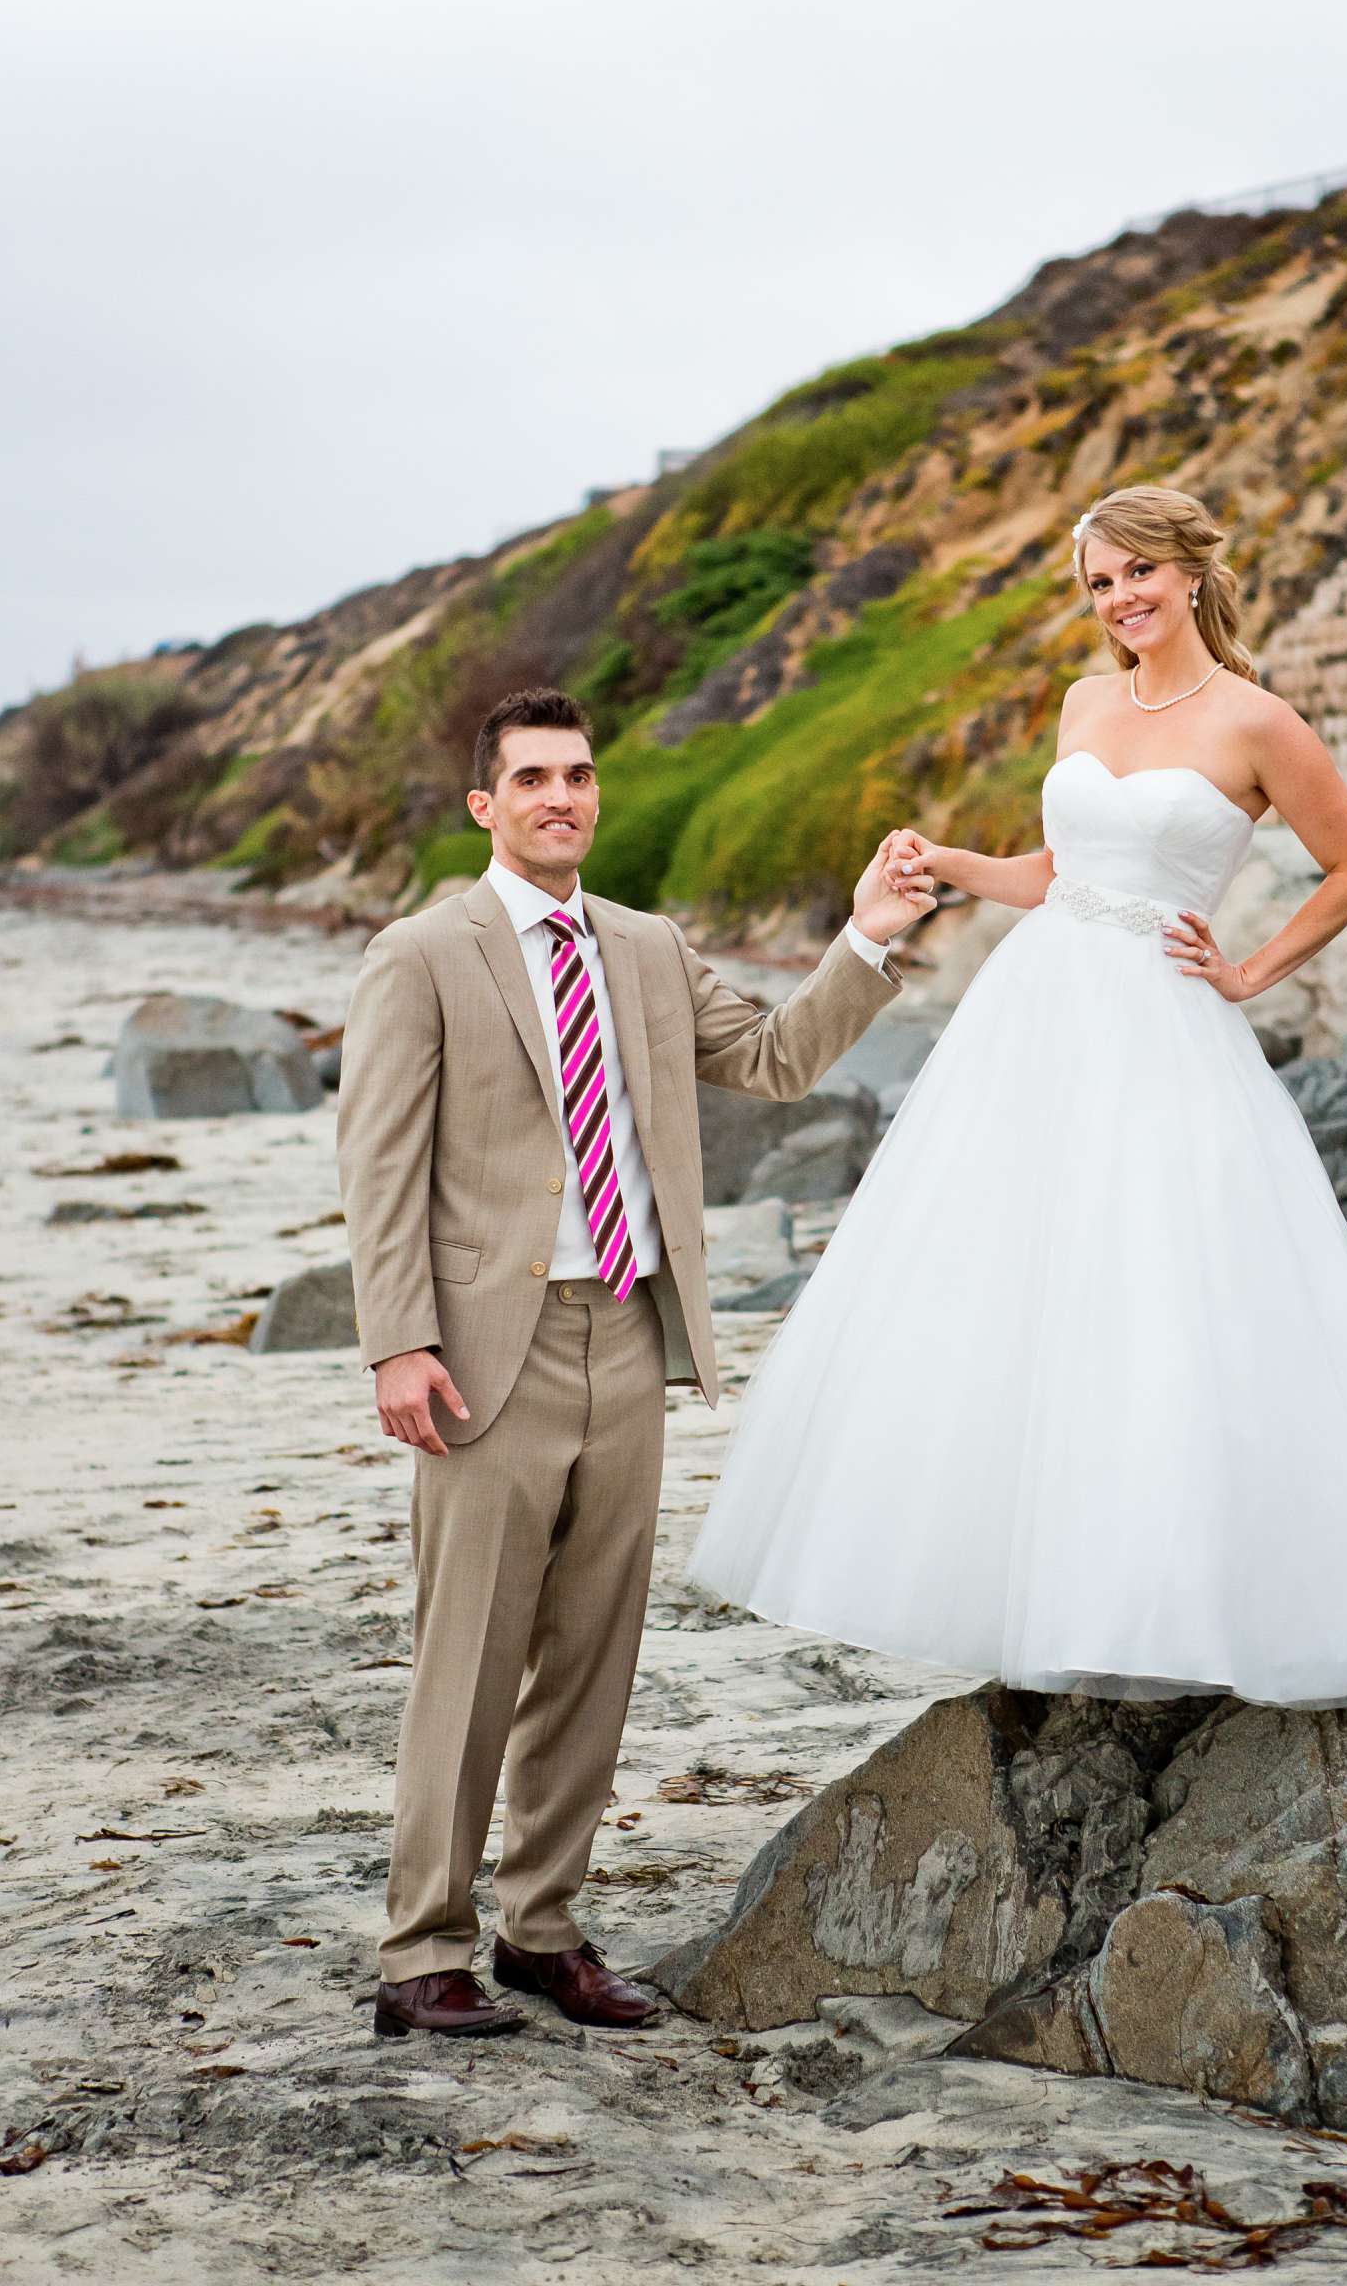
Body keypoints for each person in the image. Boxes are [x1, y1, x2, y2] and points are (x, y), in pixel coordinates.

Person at [689, 485, 1347, 1709]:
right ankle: (1039, 1586)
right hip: (1035, 1010)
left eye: (1136, 575)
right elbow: (1063, 871)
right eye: (1098, 584)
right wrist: (950, 866)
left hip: (1164, 1025)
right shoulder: (1082, 701)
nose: (1118, 600)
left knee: (1161, 1286)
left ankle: (1173, 1599)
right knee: (1018, 1282)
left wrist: (1248, 972)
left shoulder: (1256, 721)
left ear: (1187, 573)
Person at [336, 684, 935, 2039]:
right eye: (534, 778)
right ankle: (418, 1950)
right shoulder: (423, 953)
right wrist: (399, 1342)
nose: (563, 797)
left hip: (631, 1330)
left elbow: (778, 1061)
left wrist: (868, 939)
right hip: (490, 1350)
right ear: (488, 806)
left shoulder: (650, 949)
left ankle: (540, 1933)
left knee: (594, 1658)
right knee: (469, 1660)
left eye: (581, 776)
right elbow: (377, 1165)